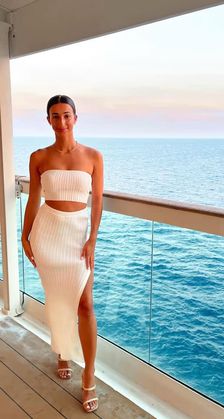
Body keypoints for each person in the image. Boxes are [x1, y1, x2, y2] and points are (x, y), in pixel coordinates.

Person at [21, 94, 103, 414]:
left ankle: (89, 374)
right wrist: (25, 236)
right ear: (48, 121)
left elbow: (97, 201)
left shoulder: (94, 156)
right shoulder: (39, 157)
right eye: (55, 116)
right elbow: (33, 200)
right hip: (48, 233)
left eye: (66, 115)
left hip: (77, 236)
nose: (61, 122)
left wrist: (93, 239)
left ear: (75, 118)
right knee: (56, 299)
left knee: (84, 303)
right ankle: (63, 352)